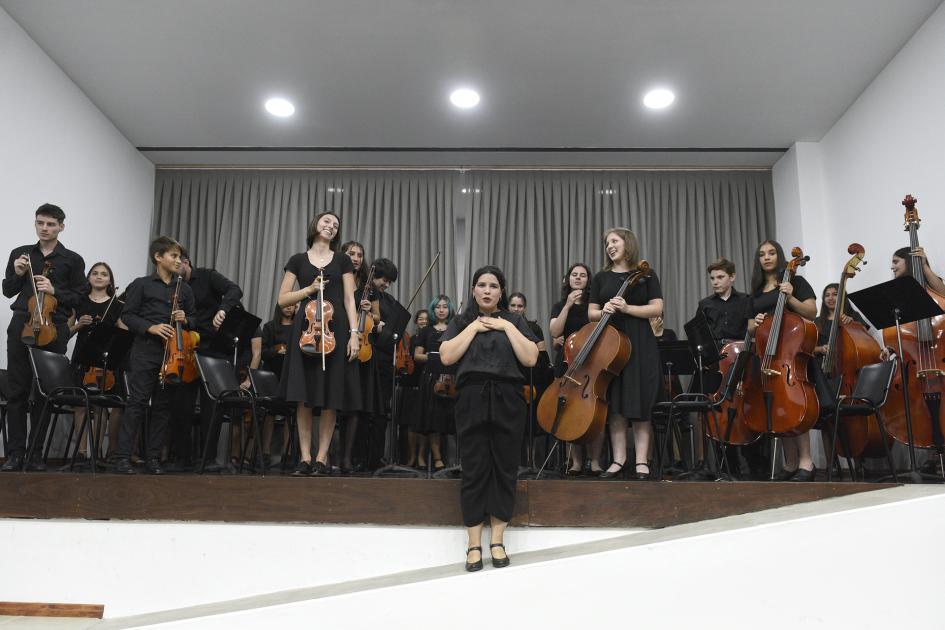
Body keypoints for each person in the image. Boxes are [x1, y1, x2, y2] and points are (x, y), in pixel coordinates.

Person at [440, 266, 538, 572]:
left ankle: (497, 540)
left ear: (501, 291)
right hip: (471, 398)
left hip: (508, 398)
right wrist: (474, 328)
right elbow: (446, 356)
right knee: (474, 468)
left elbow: (531, 358)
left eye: (493, 285)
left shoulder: (516, 320)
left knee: (504, 468)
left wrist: (505, 327)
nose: (486, 290)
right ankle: (473, 544)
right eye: (481, 285)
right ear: (473, 290)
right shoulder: (462, 321)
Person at [2, 204, 86, 472]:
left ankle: (36, 455)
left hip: (53, 328)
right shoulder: (20, 254)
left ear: (61, 226)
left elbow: (80, 298)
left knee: (45, 393)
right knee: (16, 391)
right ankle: (15, 454)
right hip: (21, 326)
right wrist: (16, 274)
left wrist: (55, 289)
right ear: (35, 224)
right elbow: (7, 291)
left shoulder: (72, 260)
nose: (45, 228)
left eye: (50, 224)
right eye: (40, 223)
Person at [277, 211, 361, 476]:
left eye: (336, 225)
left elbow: (349, 299)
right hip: (306, 328)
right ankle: (304, 457)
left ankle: (322, 458)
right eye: (326, 221)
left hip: (336, 330)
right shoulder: (297, 260)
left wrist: (355, 333)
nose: (331, 226)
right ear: (314, 225)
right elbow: (283, 300)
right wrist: (310, 290)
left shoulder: (343, 261)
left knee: (331, 396)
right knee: (303, 396)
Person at [112, 236, 196, 475]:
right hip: (146, 350)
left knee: (163, 406)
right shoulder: (142, 284)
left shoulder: (185, 289)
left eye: (180, 257)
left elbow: (196, 319)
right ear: (158, 257)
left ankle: (153, 458)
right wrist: (151, 327)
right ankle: (123, 458)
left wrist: (186, 319)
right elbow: (128, 315)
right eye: (174, 256)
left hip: (174, 354)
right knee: (137, 403)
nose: (179, 260)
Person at [589, 228, 663, 481]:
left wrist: (628, 307)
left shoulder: (646, 274)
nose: (609, 246)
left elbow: (657, 308)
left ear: (627, 243)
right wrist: (605, 310)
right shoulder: (601, 277)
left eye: (614, 241)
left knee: (642, 402)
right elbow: (591, 313)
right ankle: (619, 460)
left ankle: (641, 460)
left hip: (641, 343)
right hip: (611, 346)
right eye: (607, 242)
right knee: (615, 404)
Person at [746, 240, 818, 481]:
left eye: (771, 253)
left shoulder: (794, 281)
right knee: (778, 409)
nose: (766, 257)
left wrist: (790, 298)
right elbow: (748, 328)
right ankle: (790, 463)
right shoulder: (756, 290)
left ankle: (807, 463)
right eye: (762, 254)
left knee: (796, 406)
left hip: (791, 355)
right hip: (767, 356)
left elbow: (811, 312)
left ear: (780, 256)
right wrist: (754, 324)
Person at [171, 249, 244, 470]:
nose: (175, 268)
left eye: (177, 262)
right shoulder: (174, 285)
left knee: (211, 406)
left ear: (186, 261)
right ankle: (182, 458)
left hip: (212, 347)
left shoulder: (208, 276)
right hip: (185, 347)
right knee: (181, 405)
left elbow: (235, 289)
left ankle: (208, 459)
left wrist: (222, 310)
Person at [67, 262, 126, 463]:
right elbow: (64, 334)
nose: (99, 277)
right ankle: (82, 453)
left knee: (102, 406)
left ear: (110, 280)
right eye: (95, 273)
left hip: (106, 364)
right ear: (89, 278)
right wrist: (78, 325)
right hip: (82, 361)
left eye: (104, 274)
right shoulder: (79, 302)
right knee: (81, 406)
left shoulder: (118, 306)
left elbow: (123, 336)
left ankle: (97, 452)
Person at [548, 263, 603, 475]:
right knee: (570, 411)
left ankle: (596, 461)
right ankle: (576, 462)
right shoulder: (560, 304)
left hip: (592, 362)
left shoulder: (594, 305)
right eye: (574, 275)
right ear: (568, 279)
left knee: (595, 411)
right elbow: (554, 330)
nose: (578, 278)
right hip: (567, 362)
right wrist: (567, 306)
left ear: (588, 280)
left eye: (582, 275)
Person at [412, 294, 456, 471]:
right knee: (433, 420)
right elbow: (417, 356)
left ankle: (453, 459)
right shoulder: (426, 331)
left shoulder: (455, 329)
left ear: (449, 309)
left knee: (449, 419)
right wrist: (433, 356)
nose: (442, 310)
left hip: (451, 379)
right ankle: (438, 459)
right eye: (438, 307)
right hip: (430, 378)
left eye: (445, 306)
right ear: (433, 309)